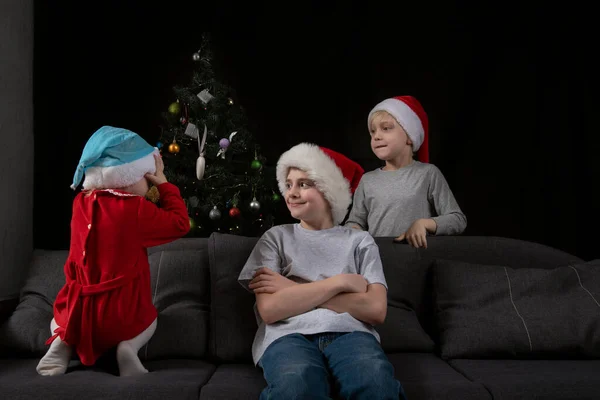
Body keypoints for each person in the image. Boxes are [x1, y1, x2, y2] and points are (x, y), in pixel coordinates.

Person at [238, 142, 405, 399]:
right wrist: (341, 282)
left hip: (351, 335)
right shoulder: (275, 238)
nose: (291, 193)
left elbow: (375, 310)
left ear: (329, 190)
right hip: (287, 336)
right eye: (289, 184)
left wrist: (293, 289)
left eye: (304, 184)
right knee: (297, 386)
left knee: (376, 384)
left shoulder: (360, 242)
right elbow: (271, 310)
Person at [36, 126, 190, 377]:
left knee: (59, 316)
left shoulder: (80, 204)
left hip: (78, 314)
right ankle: (128, 348)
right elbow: (180, 223)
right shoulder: (137, 210)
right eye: (146, 177)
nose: (148, 184)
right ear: (129, 178)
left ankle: (62, 339)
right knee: (151, 319)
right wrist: (163, 184)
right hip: (120, 316)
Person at [345, 95, 467, 248]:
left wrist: (424, 224)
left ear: (410, 136)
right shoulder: (367, 180)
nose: (376, 136)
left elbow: (457, 220)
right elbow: (355, 222)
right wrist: (353, 231)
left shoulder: (428, 174)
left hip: (416, 259)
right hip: (377, 259)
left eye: (386, 128)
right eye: (373, 131)